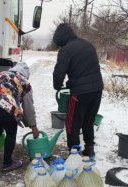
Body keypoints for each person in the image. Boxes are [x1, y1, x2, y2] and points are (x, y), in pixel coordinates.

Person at [52, 23, 103, 158]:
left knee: (72, 123)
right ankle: (89, 149)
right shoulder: (88, 44)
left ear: (62, 40)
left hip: (80, 93)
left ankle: (74, 153)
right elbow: (88, 67)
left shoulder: (66, 50)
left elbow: (58, 73)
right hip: (97, 89)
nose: (60, 47)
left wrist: (57, 86)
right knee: (88, 120)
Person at [0, 62, 39, 172]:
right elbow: (28, 108)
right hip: (4, 107)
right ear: (26, 74)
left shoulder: (1, 74)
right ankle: (7, 163)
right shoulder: (25, 82)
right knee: (11, 132)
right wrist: (33, 126)